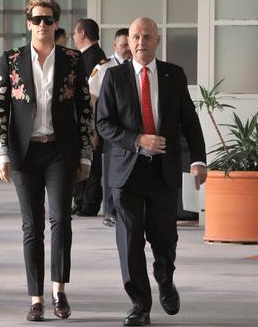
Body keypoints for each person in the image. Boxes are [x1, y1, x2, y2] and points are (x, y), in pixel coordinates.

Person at [96, 17, 207, 326]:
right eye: (135, 36)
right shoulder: (114, 77)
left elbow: (190, 122)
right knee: (129, 241)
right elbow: (103, 123)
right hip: (127, 174)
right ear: (128, 42)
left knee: (165, 239)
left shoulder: (174, 75)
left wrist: (198, 159)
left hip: (163, 172)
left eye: (147, 36)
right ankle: (139, 306)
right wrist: (136, 140)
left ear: (157, 40)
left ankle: (165, 277)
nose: (141, 41)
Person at [0, 0, 93, 322]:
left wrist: (86, 155)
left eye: (49, 20)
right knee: (31, 225)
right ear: (28, 23)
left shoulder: (73, 60)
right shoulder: (12, 59)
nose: (43, 25)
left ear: (56, 23)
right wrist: (0, 152)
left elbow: (84, 110)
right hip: (24, 152)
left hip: (60, 152)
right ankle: (36, 298)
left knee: (61, 220)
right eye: (37, 19)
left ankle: (59, 290)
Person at [87, 28, 132, 227]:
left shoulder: (136, 66)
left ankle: (125, 210)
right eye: (123, 46)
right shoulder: (103, 68)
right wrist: (93, 130)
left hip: (131, 130)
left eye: (129, 46)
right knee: (113, 171)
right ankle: (111, 211)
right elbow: (92, 101)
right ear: (114, 46)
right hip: (109, 129)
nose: (127, 50)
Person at [71, 18, 107, 216]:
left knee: (92, 164)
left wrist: (91, 128)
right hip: (82, 120)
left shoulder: (94, 59)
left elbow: (91, 98)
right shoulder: (84, 57)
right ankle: (80, 201)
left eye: (75, 33)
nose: (74, 37)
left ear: (82, 33)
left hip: (91, 120)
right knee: (82, 161)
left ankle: (89, 203)